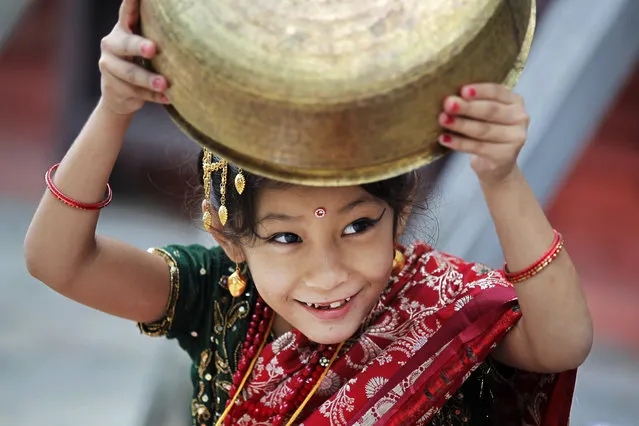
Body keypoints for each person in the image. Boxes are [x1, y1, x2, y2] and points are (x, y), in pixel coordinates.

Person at [24, 1, 593, 425]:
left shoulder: (441, 311)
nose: (329, 273)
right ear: (229, 239)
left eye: (357, 226)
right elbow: (59, 261)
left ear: (403, 211)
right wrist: (114, 106)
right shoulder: (220, 296)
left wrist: (501, 176)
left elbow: (562, 341)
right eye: (285, 238)